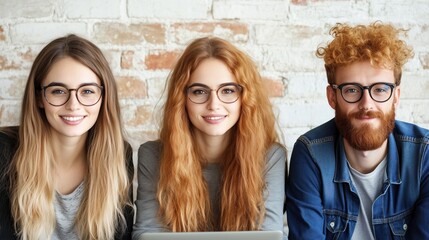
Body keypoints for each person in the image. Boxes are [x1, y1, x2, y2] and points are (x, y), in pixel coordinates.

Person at [132, 37, 287, 239]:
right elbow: (148, 234)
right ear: (182, 99)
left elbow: (270, 235)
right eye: (199, 91)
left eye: (228, 90)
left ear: (244, 98)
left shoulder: (270, 157)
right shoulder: (153, 155)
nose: (214, 104)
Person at [286, 22, 429, 239]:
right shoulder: (311, 154)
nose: (367, 104)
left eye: (380, 89)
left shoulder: (424, 154)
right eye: (352, 90)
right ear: (332, 97)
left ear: (396, 96)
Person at [0, 34, 134, 239]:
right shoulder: (4, 150)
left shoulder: (118, 154)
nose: (73, 105)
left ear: (103, 98)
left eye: (87, 91)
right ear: (39, 97)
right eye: (58, 91)